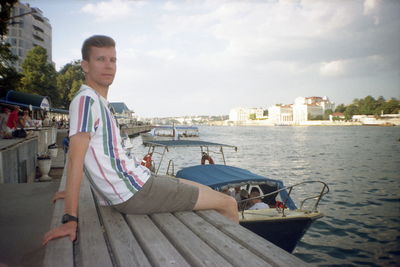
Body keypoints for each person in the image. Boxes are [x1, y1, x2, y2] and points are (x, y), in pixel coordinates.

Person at [42, 35, 238, 246]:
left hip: (140, 182)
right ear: (85, 65)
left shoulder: (98, 102)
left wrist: (69, 190)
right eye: (100, 59)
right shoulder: (86, 101)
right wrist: (70, 218)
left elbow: (94, 155)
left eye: (113, 60)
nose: (109, 66)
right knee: (228, 203)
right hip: (135, 192)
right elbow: (75, 158)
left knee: (208, 190)